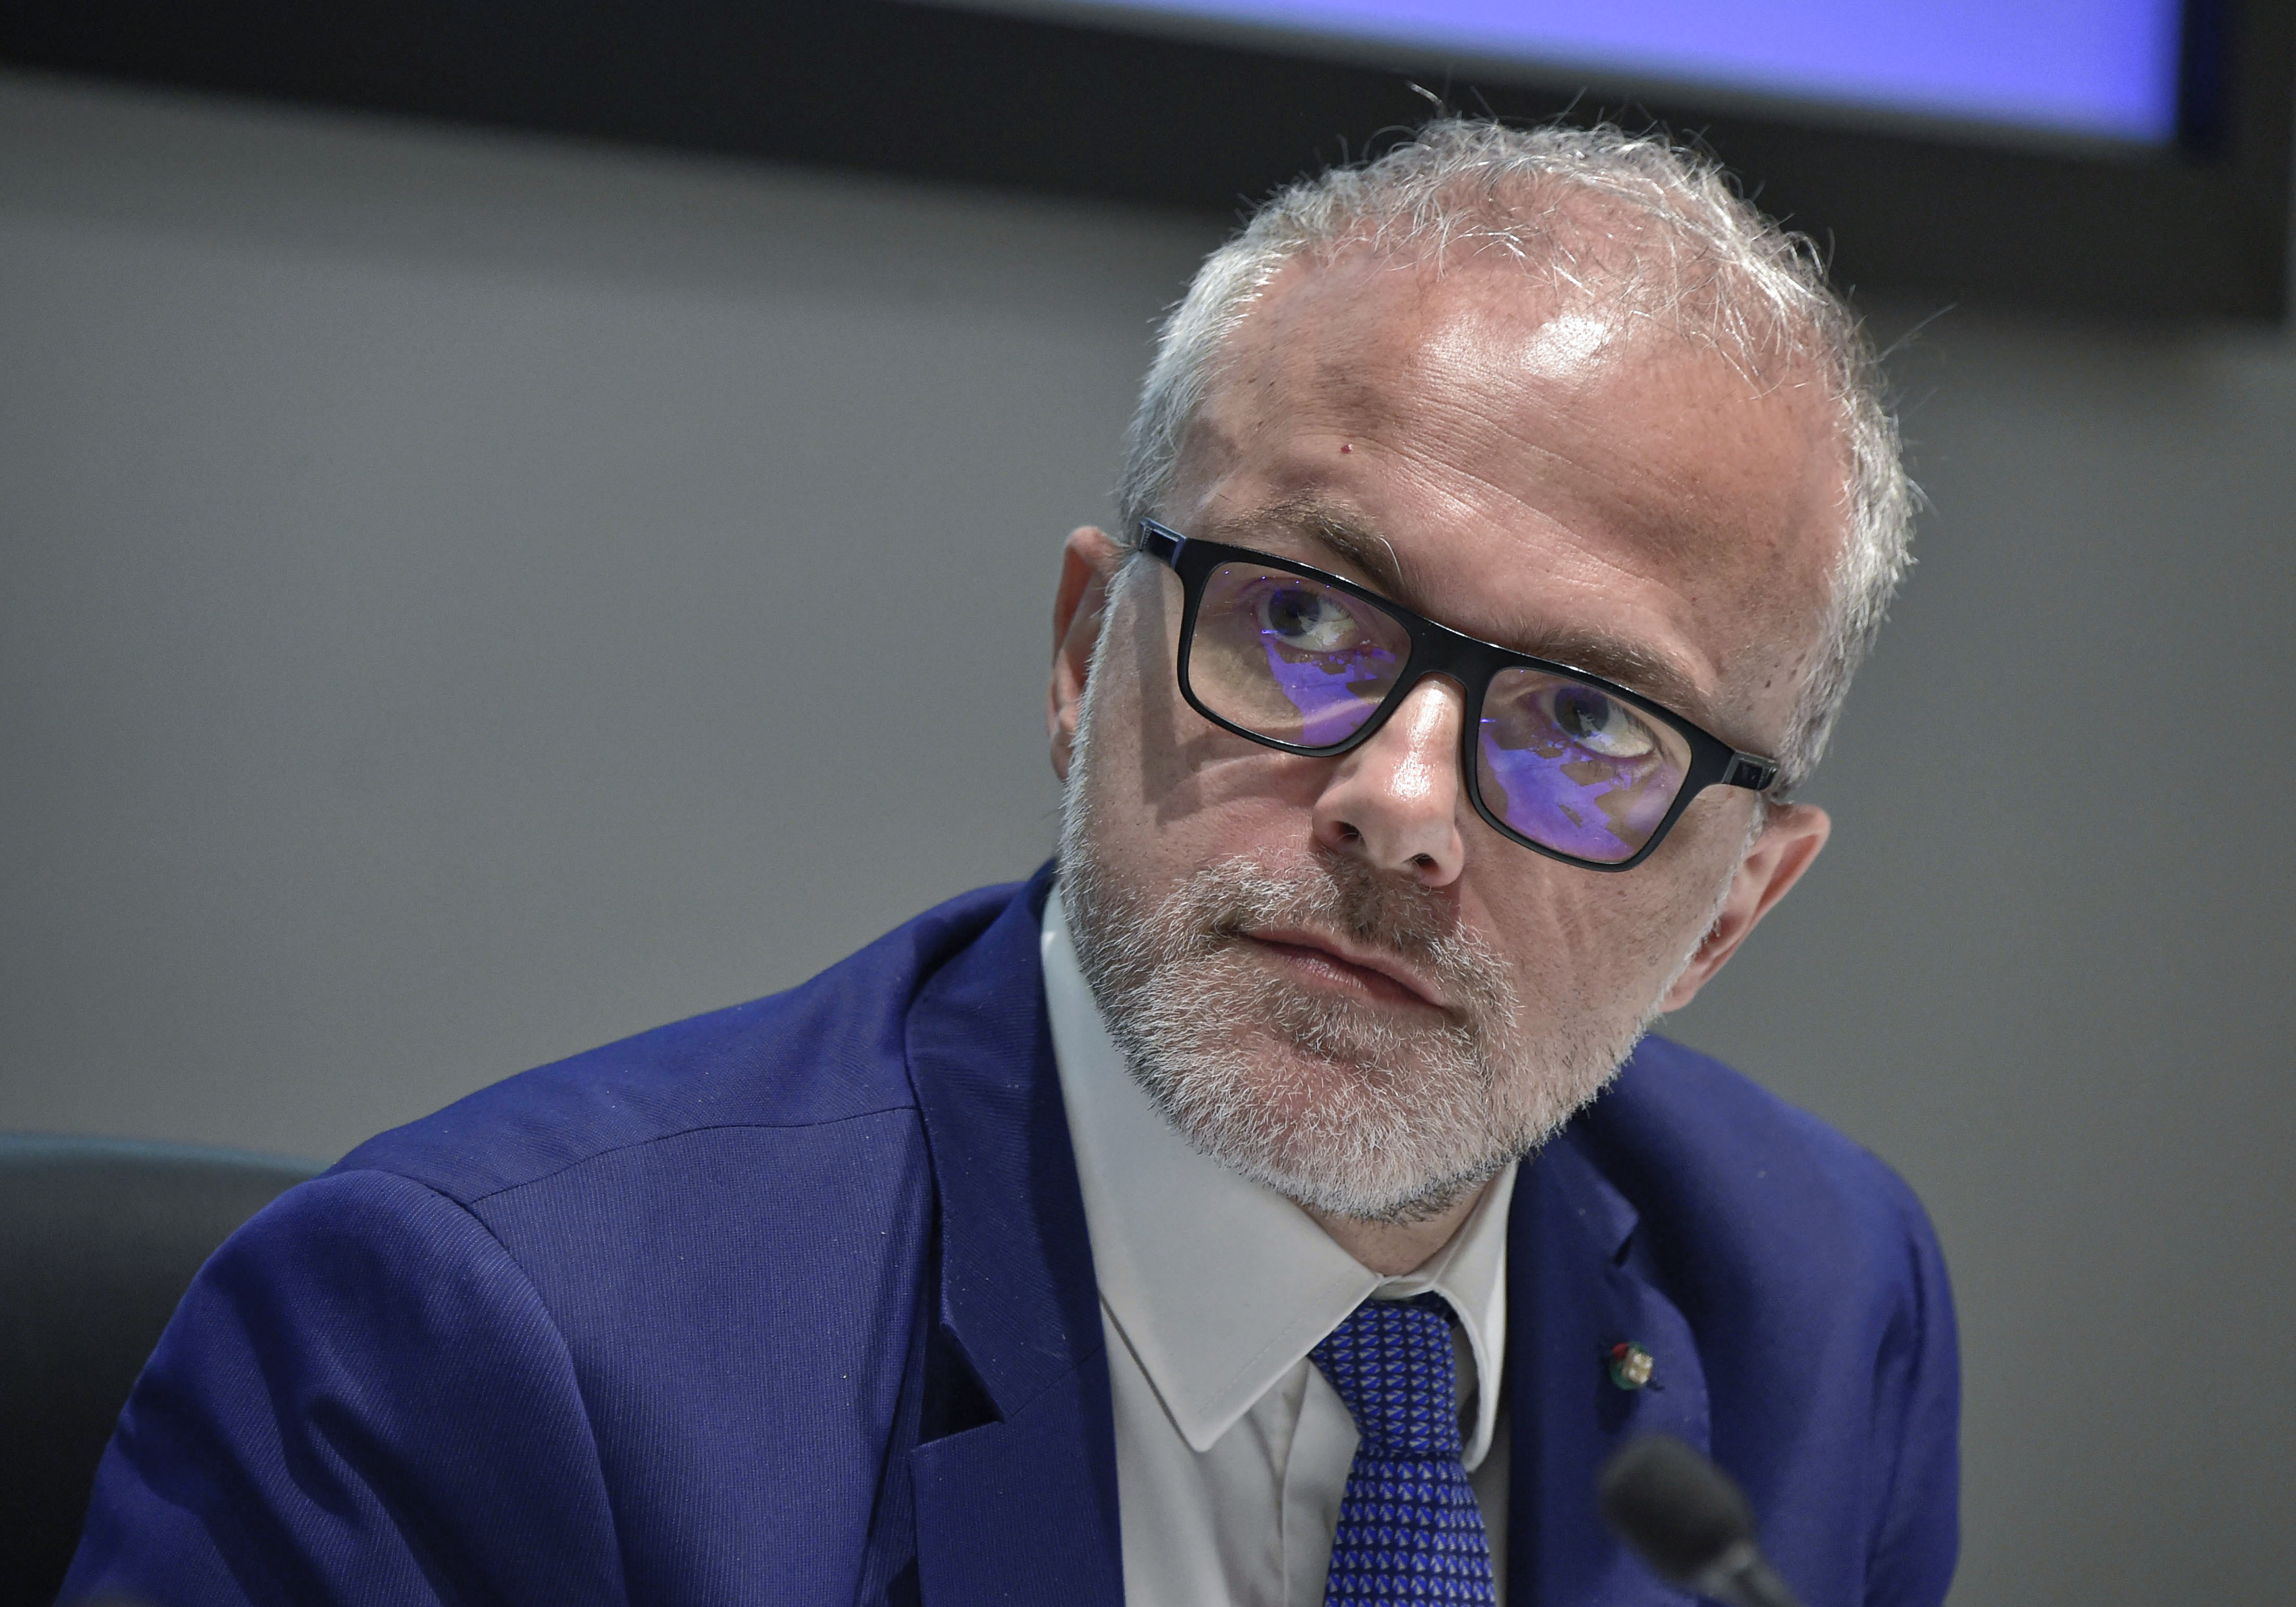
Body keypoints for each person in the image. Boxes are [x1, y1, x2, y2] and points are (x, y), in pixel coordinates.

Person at [63, 119, 1957, 1607]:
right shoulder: (491, 1352)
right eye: (1304, 619)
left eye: (1588, 723)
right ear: (1082, 656)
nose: (1400, 804)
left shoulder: (1815, 1300)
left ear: (1731, 907)